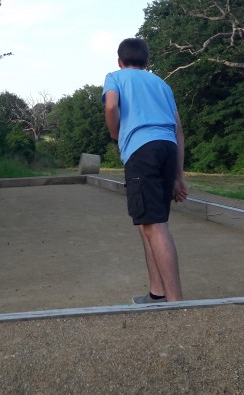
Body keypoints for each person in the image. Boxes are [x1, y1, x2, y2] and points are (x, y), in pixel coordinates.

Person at [102, 37, 188, 304]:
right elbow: (179, 130)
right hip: (167, 148)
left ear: (120, 61)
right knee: (147, 224)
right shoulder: (161, 83)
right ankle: (157, 293)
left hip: (142, 150)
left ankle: (176, 302)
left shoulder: (115, 77)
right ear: (147, 62)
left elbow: (111, 106)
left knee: (155, 226)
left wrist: (117, 136)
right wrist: (178, 176)